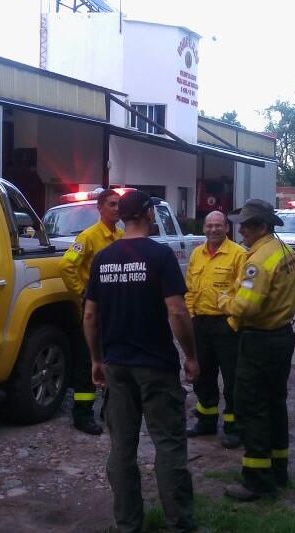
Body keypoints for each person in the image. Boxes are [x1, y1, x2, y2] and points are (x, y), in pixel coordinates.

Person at [83, 190, 202, 533]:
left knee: (121, 447)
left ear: (121, 217)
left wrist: (95, 359)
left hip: (116, 365)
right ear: (149, 214)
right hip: (156, 366)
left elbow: (90, 316)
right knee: (168, 445)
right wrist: (191, 356)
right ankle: (180, 523)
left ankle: (128, 525)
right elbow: (177, 311)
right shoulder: (161, 255)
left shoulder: (103, 259)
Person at [216, 199, 295, 502]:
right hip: (282, 337)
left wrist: (224, 302)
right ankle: (278, 471)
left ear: (262, 227)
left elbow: (247, 307)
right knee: (276, 404)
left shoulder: (257, 260)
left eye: (246, 225)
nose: (240, 230)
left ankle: (257, 481)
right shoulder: (285, 252)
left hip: (259, 341)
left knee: (251, 409)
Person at [59, 188, 123, 435]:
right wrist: (82, 292)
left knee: (112, 358)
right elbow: (66, 265)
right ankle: (82, 414)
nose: (117, 208)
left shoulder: (120, 235)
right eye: (112, 204)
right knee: (88, 361)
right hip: (95, 311)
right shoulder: (88, 237)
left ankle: (109, 408)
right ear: (100, 208)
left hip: (116, 309)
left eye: (119, 204)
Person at [184, 210, 246, 449]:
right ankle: (206, 421)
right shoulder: (197, 254)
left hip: (227, 325)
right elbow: (190, 289)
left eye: (218, 226)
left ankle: (234, 427)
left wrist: (232, 323)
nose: (213, 230)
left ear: (227, 228)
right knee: (202, 376)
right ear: (204, 229)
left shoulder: (238, 255)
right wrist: (190, 318)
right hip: (200, 324)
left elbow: (243, 292)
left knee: (232, 379)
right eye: (209, 226)